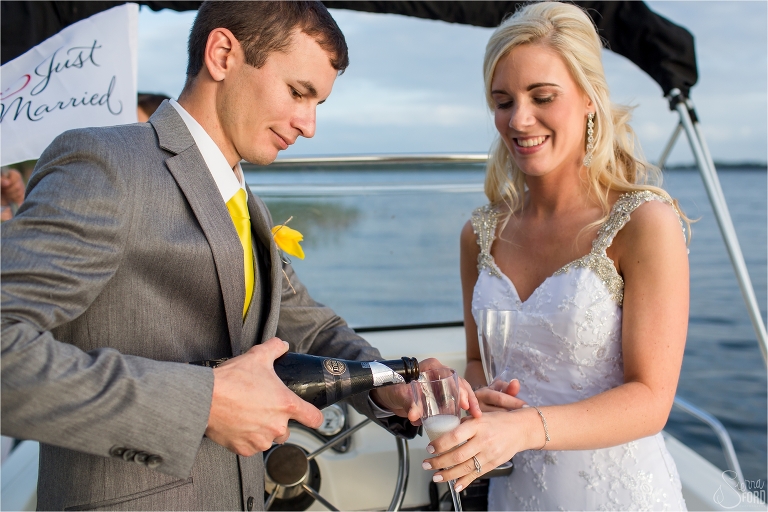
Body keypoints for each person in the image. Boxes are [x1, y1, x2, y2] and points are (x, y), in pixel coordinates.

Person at [1, 2, 478, 510]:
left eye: (318, 103)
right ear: (223, 54)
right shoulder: (106, 165)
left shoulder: (244, 201)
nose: (309, 125)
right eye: (298, 93)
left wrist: (391, 383)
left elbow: (310, 329)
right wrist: (203, 403)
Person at [421, 3, 690, 510]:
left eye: (542, 96)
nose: (519, 120)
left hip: (620, 493)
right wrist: (473, 400)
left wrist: (524, 429)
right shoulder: (479, 233)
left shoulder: (643, 223)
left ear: (589, 99)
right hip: (515, 492)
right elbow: (480, 361)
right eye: (503, 101)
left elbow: (652, 400)